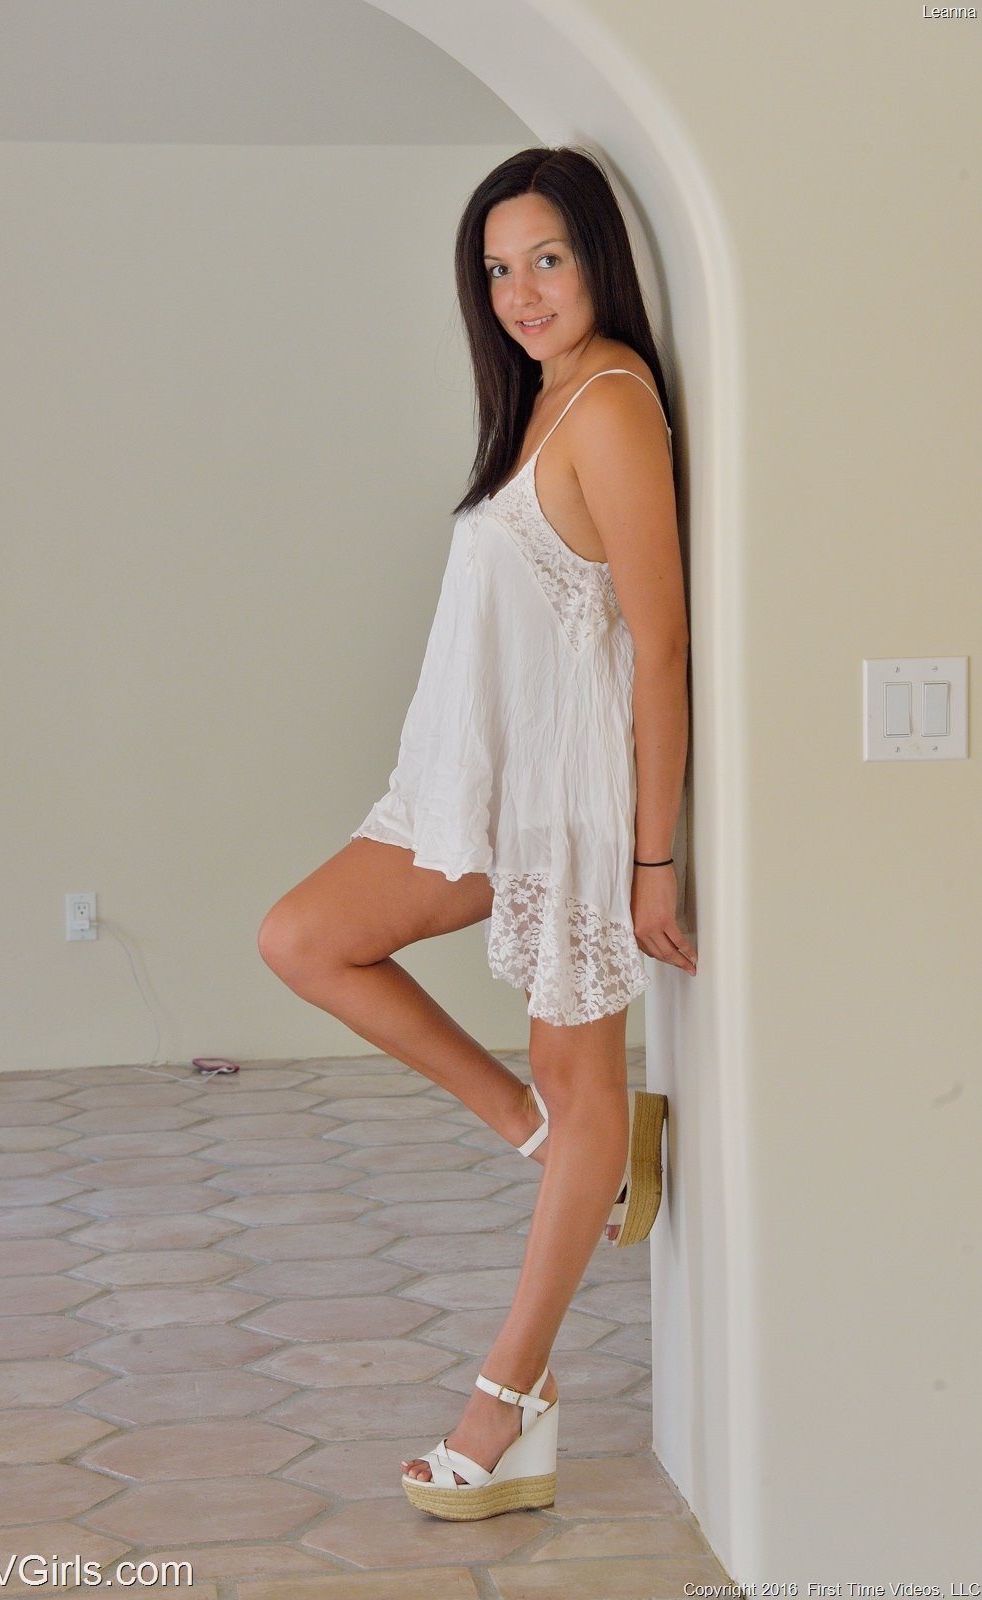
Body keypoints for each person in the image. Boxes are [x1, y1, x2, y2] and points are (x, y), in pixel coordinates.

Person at [257, 146, 697, 1521]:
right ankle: (552, 1137)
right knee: (304, 939)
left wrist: (650, 858)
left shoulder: (610, 402)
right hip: (469, 788)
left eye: (546, 259)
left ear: (597, 257)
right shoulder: (540, 399)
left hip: (562, 805)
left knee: (580, 1078)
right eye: (498, 270)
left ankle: (507, 1405)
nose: (521, 291)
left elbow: (662, 643)